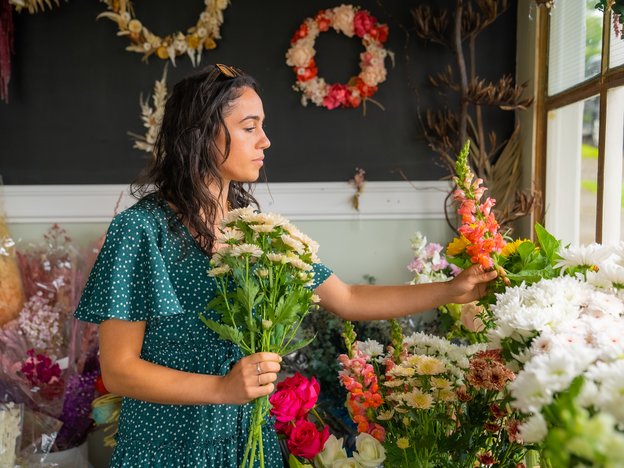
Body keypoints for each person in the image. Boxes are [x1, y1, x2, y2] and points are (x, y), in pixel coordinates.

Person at [74, 64, 497, 468]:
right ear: (200, 134)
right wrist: (222, 389)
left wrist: (449, 290)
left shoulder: (259, 235)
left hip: (249, 448)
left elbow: (347, 298)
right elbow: (119, 370)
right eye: (250, 126)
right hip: (165, 452)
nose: (266, 141)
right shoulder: (141, 230)